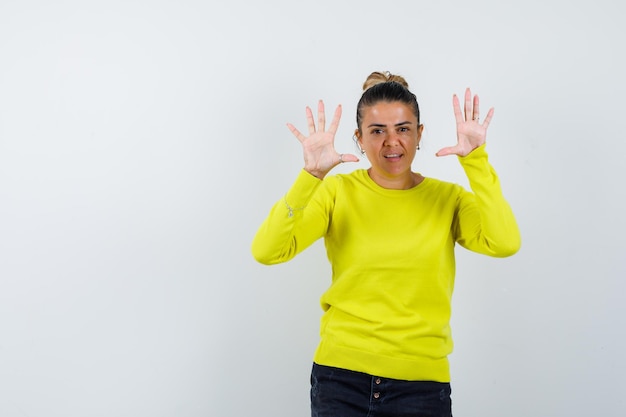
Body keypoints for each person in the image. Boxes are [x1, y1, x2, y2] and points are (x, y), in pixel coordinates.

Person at [251, 71, 521, 417]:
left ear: (419, 133)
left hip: (421, 387)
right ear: (359, 139)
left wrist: (476, 163)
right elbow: (268, 250)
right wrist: (311, 178)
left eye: (403, 129)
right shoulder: (337, 193)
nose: (391, 142)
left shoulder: (448, 199)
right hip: (340, 380)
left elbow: (505, 243)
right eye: (377, 131)